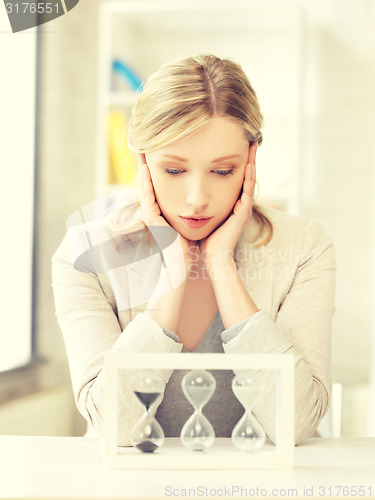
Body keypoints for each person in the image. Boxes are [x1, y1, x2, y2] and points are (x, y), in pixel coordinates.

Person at [51, 54, 335, 446]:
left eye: (222, 171)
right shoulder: (85, 254)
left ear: (251, 159)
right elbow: (114, 426)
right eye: (174, 170)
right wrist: (172, 270)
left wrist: (221, 264)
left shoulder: (303, 247)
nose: (197, 199)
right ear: (142, 161)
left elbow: (296, 423)